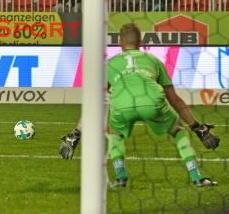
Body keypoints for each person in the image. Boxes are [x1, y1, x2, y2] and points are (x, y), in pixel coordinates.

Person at [59, 23, 219, 188]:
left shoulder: (110, 64)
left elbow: (95, 102)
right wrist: (197, 126)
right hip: (152, 102)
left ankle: (121, 178)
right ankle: (196, 177)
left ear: (120, 43)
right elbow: (174, 98)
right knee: (178, 131)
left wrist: (75, 134)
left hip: (122, 105)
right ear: (141, 42)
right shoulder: (153, 60)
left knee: (114, 133)